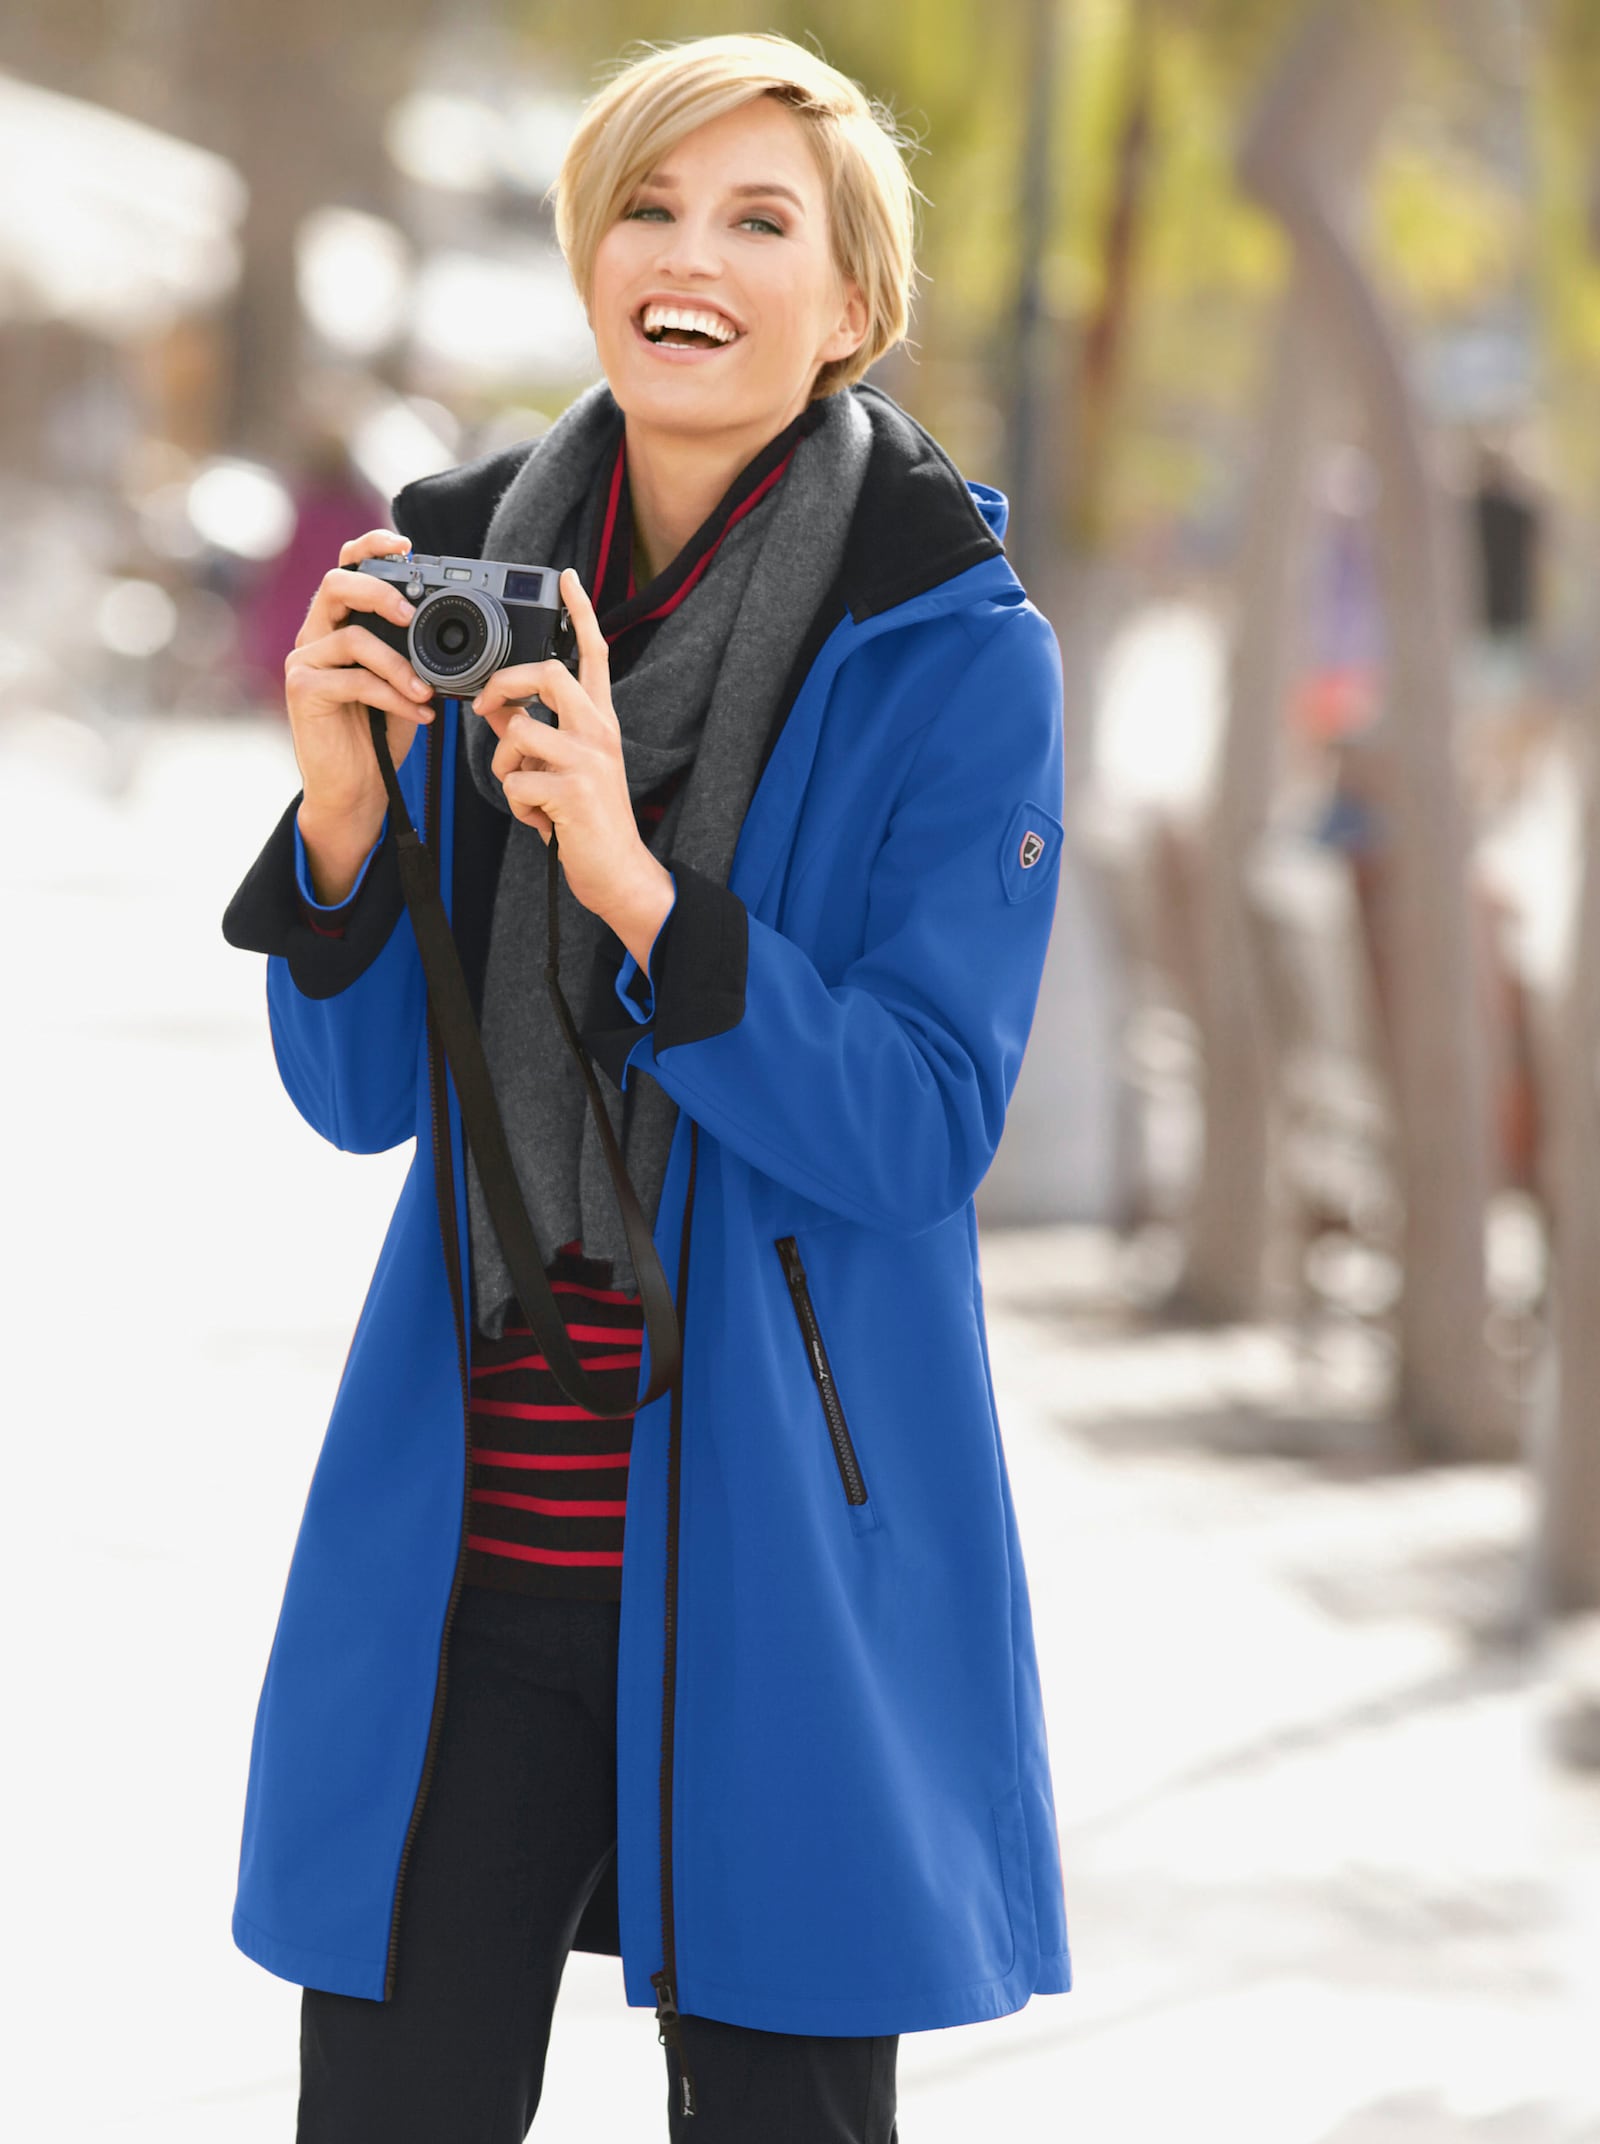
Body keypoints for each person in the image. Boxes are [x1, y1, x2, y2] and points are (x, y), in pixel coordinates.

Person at [222, 31, 1073, 2143]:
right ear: (590, 257)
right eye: (647, 208)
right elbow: (362, 1098)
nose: (690, 257)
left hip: (786, 1552)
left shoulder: (950, 642)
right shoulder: (456, 576)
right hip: (466, 1543)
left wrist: (627, 881)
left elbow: (915, 1123)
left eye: (759, 221)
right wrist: (343, 821)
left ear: (849, 301)